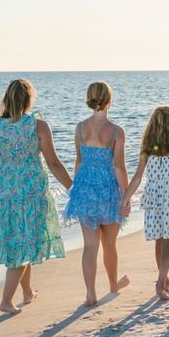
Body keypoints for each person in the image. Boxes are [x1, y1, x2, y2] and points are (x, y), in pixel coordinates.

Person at [0, 79, 72, 315]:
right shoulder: (38, 126)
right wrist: (72, 188)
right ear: (29, 100)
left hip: (5, 193)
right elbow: (54, 163)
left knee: (21, 240)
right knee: (23, 243)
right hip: (32, 192)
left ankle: (27, 292)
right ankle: (6, 301)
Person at [64, 81, 131, 307]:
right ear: (110, 100)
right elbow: (119, 167)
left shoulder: (80, 128)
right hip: (108, 189)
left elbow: (79, 162)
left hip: (85, 188)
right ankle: (112, 284)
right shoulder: (115, 131)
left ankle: (90, 295)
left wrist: (77, 190)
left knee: (89, 246)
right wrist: (127, 195)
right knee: (109, 244)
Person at [121, 105, 169, 301]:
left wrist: (126, 198)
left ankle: (164, 277)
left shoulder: (148, 150)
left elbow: (137, 178)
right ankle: (160, 282)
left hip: (153, 199)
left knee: (159, 240)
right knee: (168, 242)